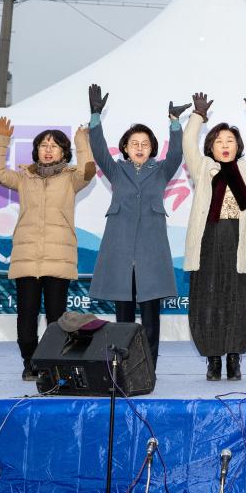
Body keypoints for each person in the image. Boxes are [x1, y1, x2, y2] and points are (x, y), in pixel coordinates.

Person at [86, 84, 191, 368]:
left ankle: (149, 368)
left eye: (145, 144)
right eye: (135, 143)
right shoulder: (115, 170)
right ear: (125, 148)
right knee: (123, 318)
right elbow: (98, 149)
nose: (140, 148)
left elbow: (176, 154)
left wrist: (175, 123)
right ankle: (123, 368)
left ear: (152, 148)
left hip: (151, 253)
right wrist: (95, 116)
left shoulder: (161, 171)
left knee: (151, 317)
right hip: (121, 252)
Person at [0, 117, 94, 380]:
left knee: (57, 318)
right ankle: (30, 362)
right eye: (43, 145)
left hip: (58, 258)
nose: (48, 149)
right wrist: (1, 140)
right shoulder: (24, 178)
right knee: (26, 315)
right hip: (27, 258)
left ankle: (53, 363)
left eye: (54, 145)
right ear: (36, 151)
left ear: (63, 152)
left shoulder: (71, 178)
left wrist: (82, 140)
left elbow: (88, 170)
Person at [183, 89, 246, 381]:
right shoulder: (203, 168)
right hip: (209, 241)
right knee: (207, 299)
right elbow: (188, 143)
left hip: (239, 242)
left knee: (240, 299)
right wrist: (198, 116)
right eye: (219, 141)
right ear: (210, 146)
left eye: (230, 141)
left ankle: (234, 357)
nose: (224, 145)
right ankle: (213, 359)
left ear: (238, 146)